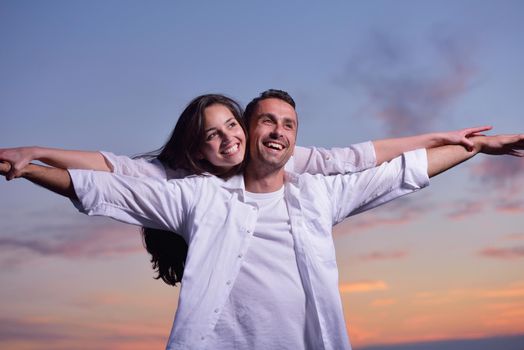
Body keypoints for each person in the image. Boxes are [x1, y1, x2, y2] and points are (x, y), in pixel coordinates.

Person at [3, 90, 522, 349]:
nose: (277, 131)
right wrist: (32, 165)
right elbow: (102, 181)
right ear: (252, 132)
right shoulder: (196, 196)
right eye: (265, 121)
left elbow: (399, 167)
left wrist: (473, 146)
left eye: (289, 124)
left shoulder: (319, 189)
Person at [0, 93, 489, 286]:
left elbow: (367, 158)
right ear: (197, 147)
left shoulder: (284, 160)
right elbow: (108, 171)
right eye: (212, 133)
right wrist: (36, 153)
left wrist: (446, 138)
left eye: (232, 124)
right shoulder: (183, 185)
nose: (228, 138)